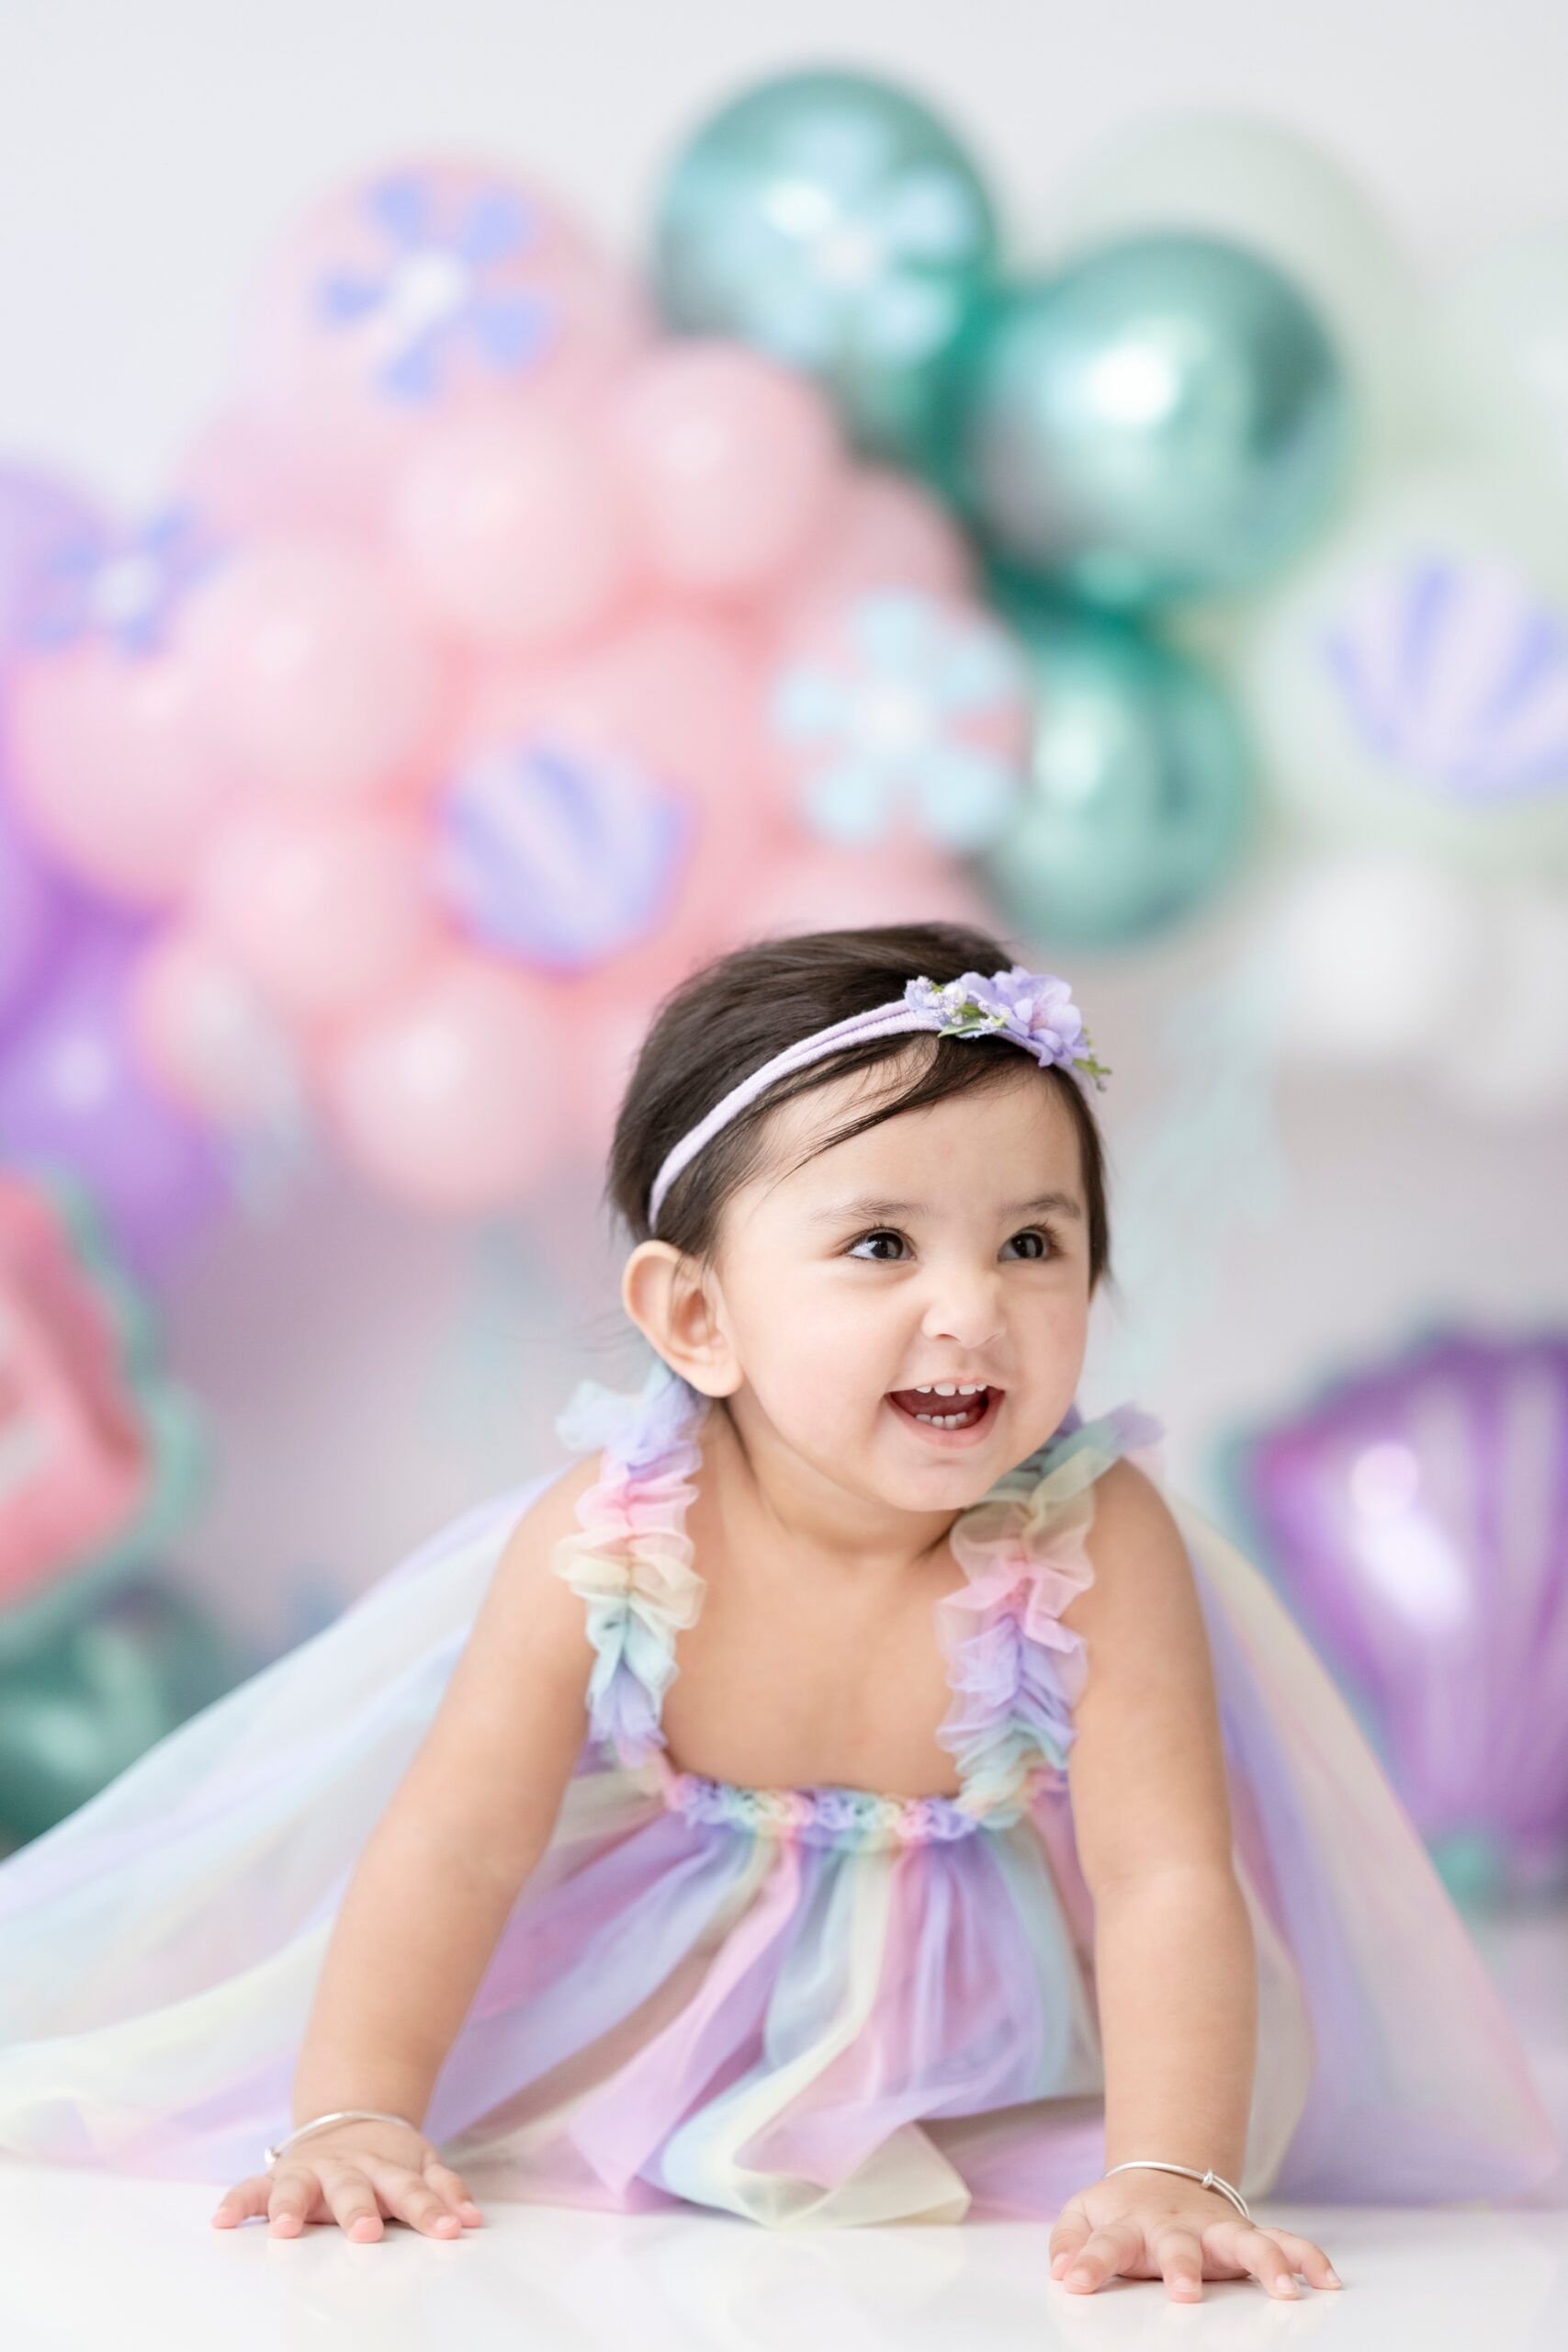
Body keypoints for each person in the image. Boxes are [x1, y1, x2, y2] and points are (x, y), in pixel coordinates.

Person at [0, 922, 1559, 2300]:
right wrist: (355, 2112)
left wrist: (1172, 2169)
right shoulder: (613, 1539)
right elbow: (457, 1841)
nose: (972, 1307)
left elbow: (1162, 1878)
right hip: (624, 2012)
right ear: (698, 1315)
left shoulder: (1093, 1538)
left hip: (969, 2049)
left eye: (1033, 1242)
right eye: (881, 1244)